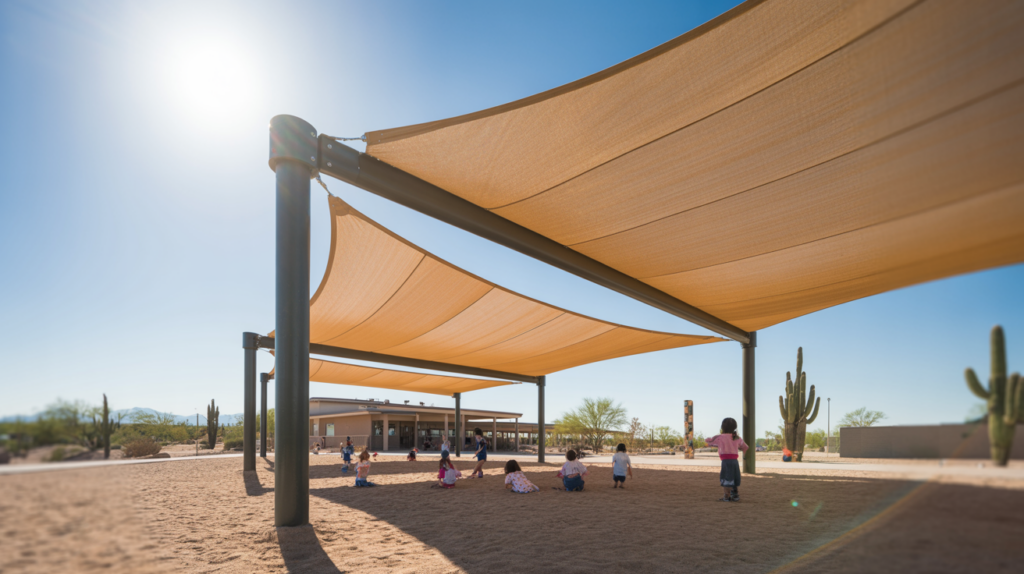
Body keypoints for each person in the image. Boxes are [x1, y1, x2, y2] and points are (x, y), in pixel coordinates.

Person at [706, 417, 749, 502]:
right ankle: (735, 495)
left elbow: (709, 441)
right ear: (735, 427)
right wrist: (742, 451)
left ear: (722, 427)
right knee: (734, 476)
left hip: (725, 461)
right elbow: (745, 447)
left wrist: (710, 440)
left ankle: (726, 496)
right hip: (734, 461)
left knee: (726, 477)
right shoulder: (736, 437)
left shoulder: (719, 437)